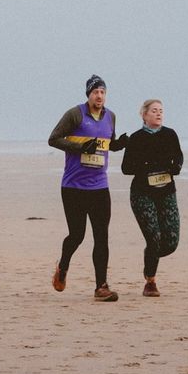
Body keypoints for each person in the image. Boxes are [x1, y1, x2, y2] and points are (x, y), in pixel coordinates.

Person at [48, 74, 126, 301]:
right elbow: (53, 139)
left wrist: (118, 145)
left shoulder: (110, 116)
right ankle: (62, 267)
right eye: (95, 92)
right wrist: (81, 147)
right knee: (77, 235)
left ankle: (101, 287)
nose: (99, 96)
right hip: (73, 186)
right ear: (88, 95)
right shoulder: (75, 114)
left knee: (101, 237)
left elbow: (106, 143)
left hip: (100, 186)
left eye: (102, 92)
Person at [120, 99, 184, 297]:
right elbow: (126, 168)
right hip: (142, 193)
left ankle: (150, 253)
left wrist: (176, 167)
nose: (158, 114)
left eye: (161, 111)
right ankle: (150, 281)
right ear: (144, 115)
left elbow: (179, 157)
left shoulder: (170, 134)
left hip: (166, 192)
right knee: (154, 237)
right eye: (154, 111)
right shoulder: (136, 139)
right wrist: (148, 166)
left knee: (171, 242)